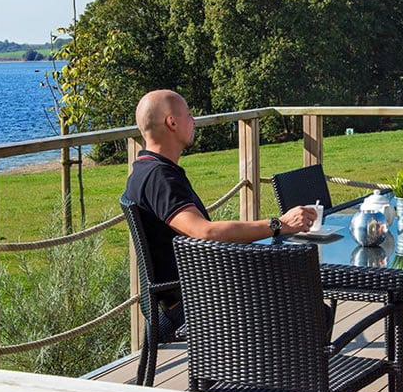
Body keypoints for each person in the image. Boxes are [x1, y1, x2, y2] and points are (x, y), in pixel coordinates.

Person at [123, 89, 318, 327]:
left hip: (198, 291)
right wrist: (279, 224)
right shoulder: (159, 178)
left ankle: (263, 362)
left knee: (301, 296)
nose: (193, 121)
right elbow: (205, 232)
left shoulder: (147, 169)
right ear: (172, 122)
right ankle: (275, 363)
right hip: (194, 304)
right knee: (313, 311)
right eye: (188, 114)